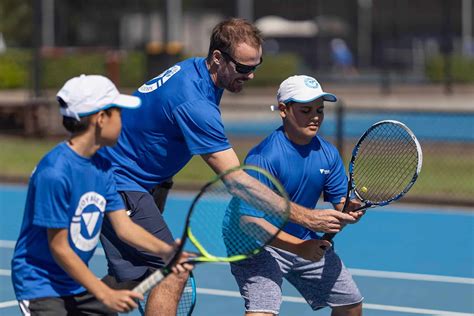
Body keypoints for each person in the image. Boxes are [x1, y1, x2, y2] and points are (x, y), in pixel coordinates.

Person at [98, 18, 357, 315]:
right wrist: (306, 217)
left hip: (134, 179)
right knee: (175, 267)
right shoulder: (196, 103)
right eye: (243, 68)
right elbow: (238, 182)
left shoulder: (195, 70)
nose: (250, 75)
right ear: (218, 58)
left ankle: (62, 309)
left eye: (255, 66)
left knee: (131, 279)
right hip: (121, 180)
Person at [10, 74, 192, 316]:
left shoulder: (103, 166)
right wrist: (104, 292)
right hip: (41, 287)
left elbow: (124, 227)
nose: (123, 119)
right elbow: (60, 247)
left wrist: (166, 250)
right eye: (118, 112)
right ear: (101, 118)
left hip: (73, 283)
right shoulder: (54, 172)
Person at [230, 75, 365, 316]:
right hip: (257, 244)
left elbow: (340, 202)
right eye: (306, 110)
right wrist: (300, 247)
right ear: (284, 110)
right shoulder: (264, 157)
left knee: (350, 304)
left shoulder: (328, 154)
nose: (315, 117)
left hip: (305, 239)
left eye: (320, 110)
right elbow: (249, 223)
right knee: (263, 308)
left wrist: (348, 210)